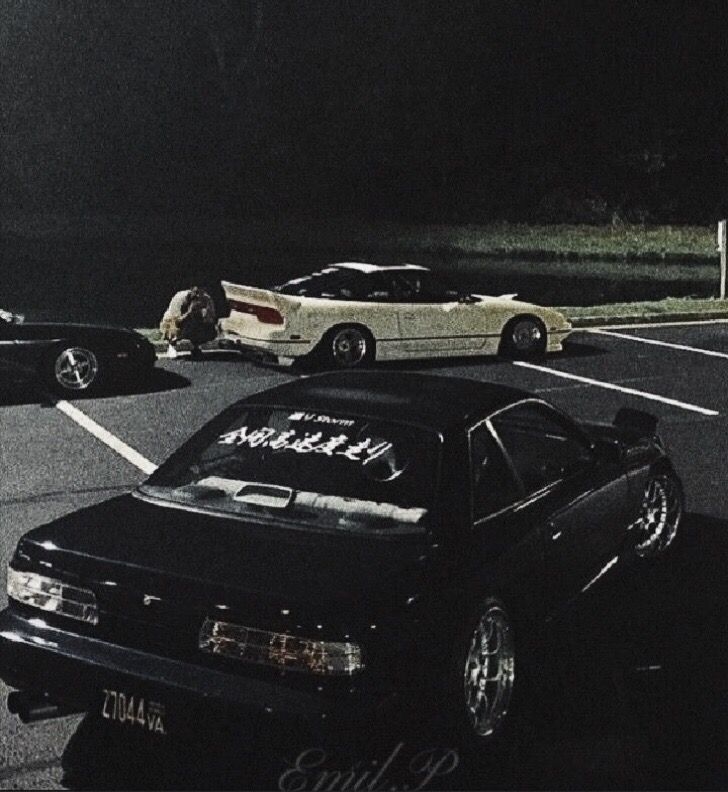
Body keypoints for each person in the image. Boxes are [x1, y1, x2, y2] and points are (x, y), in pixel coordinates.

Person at [160, 286, 217, 359]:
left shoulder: (207, 300)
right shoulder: (180, 297)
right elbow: (175, 321)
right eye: (196, 293)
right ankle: (172, 345)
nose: (198, 296)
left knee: (210, 331)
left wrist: (204, 314)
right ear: (191, 291)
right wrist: (189, 312)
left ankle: (196, 347)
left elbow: (211, 320)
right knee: (176, 328)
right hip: (172, 321)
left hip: (194, 321)